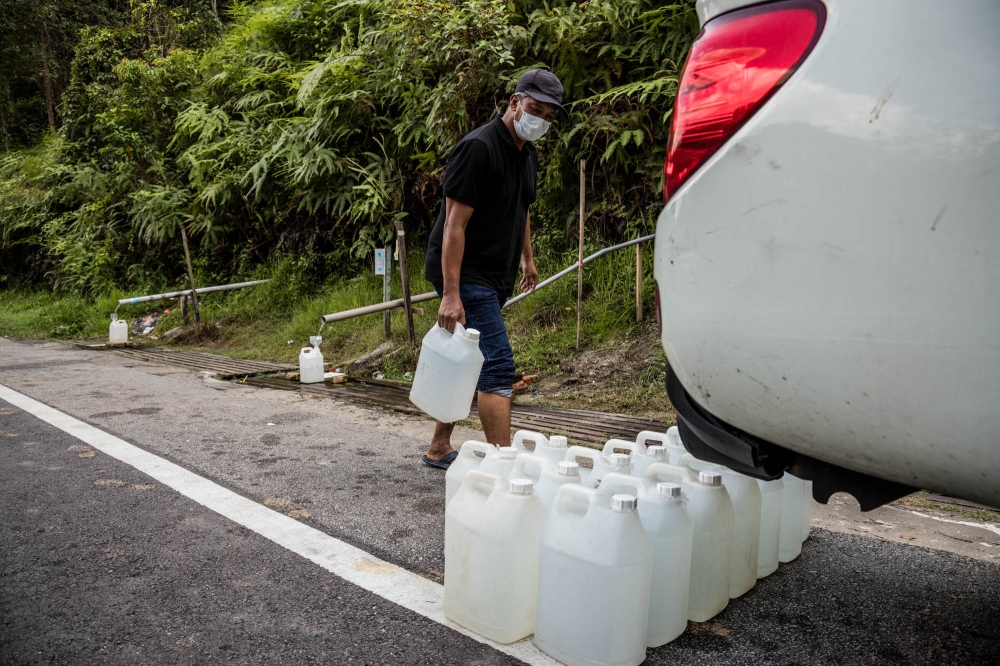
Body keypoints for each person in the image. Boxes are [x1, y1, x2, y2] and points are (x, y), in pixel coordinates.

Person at [421, 69, 565, 469]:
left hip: (495, 272)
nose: (540, 120)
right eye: (535, 109)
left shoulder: (528, 153)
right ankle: (503, 469)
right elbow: (454, 225)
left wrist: (528, 258)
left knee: (469, 360)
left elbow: (522, 209)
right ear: (515, 101)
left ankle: (438, 446)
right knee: (498, 365)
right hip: (465, 272)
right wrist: (451, 294)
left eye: (549, 116)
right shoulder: (478, 149)